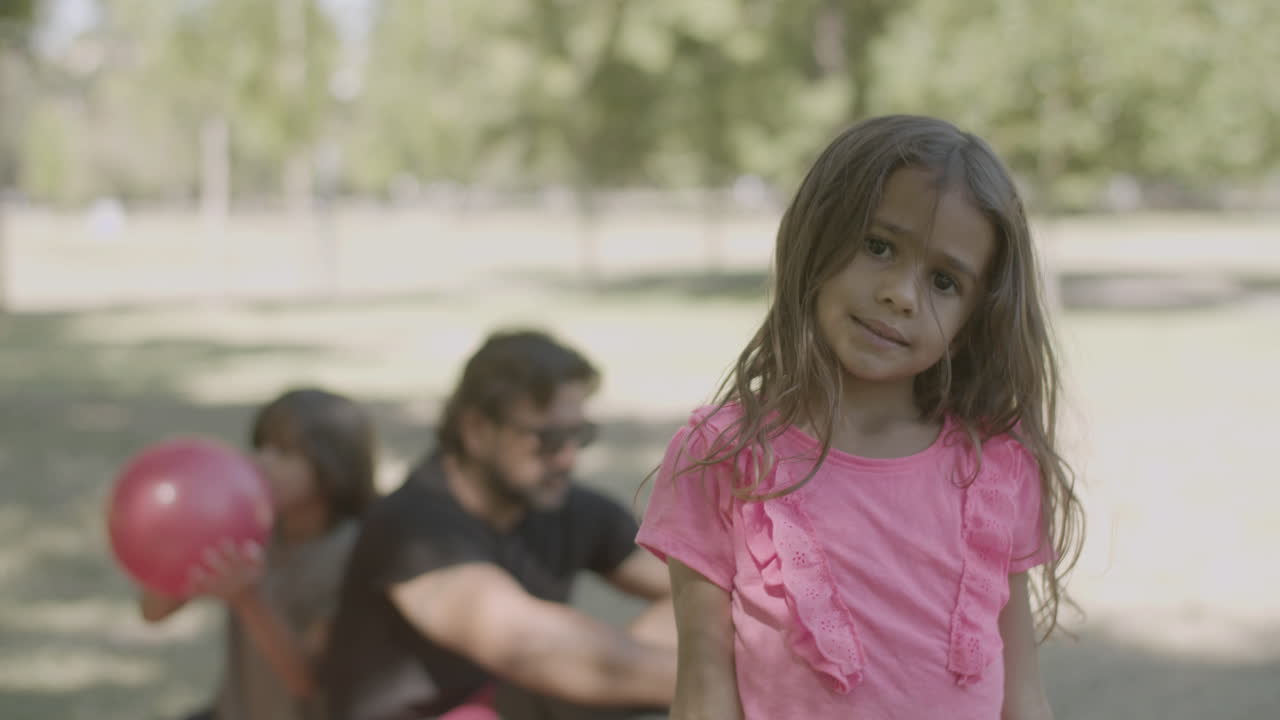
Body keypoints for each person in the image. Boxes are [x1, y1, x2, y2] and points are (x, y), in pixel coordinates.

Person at [636, 115, 1086, 719]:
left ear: (972, 322)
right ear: (818, 236)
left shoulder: (995, 467)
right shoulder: (724, 453)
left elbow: (1023, 696)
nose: (901, 293)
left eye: (944, 282)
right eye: (878, 246)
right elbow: (702, 689)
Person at [323, 329, 676, 720]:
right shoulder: (409, 525)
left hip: (514, 705)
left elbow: (702, 584)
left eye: (579, 435)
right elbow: (526, 645)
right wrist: (719, 680)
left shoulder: (566, 504)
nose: (567, 458)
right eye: (548, 438)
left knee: (697, 608)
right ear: (476, 429)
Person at [138, 388, 379, 720]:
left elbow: (304, 678)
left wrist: (248, 600)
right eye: (260, 447)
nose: (262, 462)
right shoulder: (244, 528)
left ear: (333, 467)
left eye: (284, 452)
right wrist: (185, 535)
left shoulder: (353, 553)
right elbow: (153, 612)